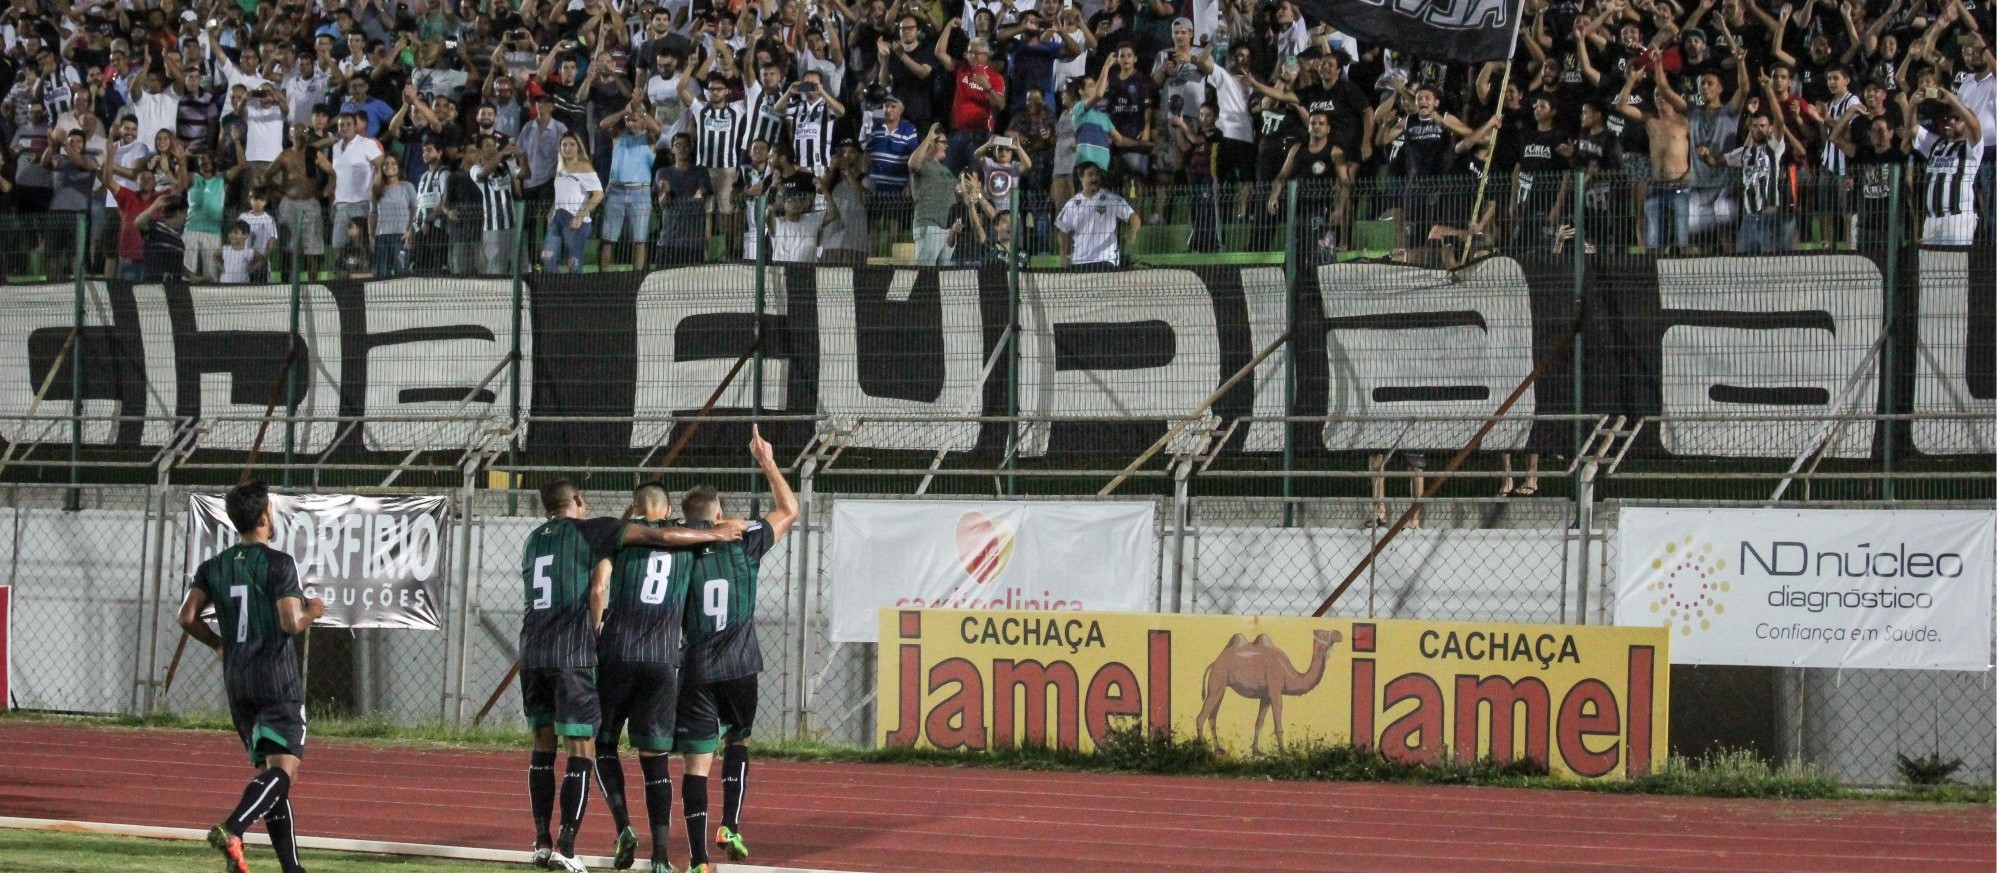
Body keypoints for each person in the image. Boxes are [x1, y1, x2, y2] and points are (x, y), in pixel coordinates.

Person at [517, 478, 746, 873]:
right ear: (577, 500)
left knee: (573, 746)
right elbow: (672, 540)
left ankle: (575, 834)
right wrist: (720, 531)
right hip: (645, 658)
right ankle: (654, 856)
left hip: (565, 652)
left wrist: (601, 627)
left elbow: (600, 584)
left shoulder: (535, 540)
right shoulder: (604, 531)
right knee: (631, 755)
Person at [176, 480, 326, 873]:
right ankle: (233, 827)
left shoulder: (214, 567)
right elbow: (291, 623)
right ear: (262, 517)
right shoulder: (278, 564)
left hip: (237, 681)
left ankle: (292, 868)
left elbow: (187, 617)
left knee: (269, 778)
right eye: (271, 510)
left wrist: (219, 644)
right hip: (276, 679)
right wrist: (314, 610)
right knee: (283, 772)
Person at [675, 426, 799, 873]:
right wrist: (766, 461)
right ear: (721, 512)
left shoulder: (676, 553)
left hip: (697, 668)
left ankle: (699, 861)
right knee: (739, 739)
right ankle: (729, 823)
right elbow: (789, 509)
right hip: (742, 664)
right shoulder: (745, 543)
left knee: (695, 763)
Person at [592, 482, 702, 873]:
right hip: (661, 658)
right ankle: (660, 856)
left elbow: (600, 585)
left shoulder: (620, 538)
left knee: (600, 744)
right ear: (669, 508)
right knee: (655, 759)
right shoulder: (688, 540)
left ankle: (623, 827)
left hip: (618, 653)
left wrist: (594, 634)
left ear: (633, 507)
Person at [1905, 86, 1984, 245]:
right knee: (1930, 268)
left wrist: (1953, 101)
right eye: (1949, 119)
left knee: (1955, 267)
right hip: (1932, 219)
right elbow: (1913, 130)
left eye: (1957, 119)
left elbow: (1975, 127)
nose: (1951, 122)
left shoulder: (1971, 148)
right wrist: (1912, 105)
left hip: (1957, 218)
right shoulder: (1937, 144)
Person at [1055, 163, 1140, 269]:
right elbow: (1063, 231)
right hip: (1079, 262)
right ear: (1081, 177)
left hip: (1106, 261)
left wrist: (1132, 232)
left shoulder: (1112, 199)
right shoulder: (1072, 203)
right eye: (1090, 175)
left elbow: (1134, 218)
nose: (1095, 178)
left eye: (1097, 175)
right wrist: (1066, 255)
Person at [543, 133, 605, 273]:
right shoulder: (560, 169)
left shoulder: (585, 167)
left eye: (572, 144)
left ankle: (573, 292)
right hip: (557, 219)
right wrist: (551, 212)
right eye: (564, 145)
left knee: (573, 262)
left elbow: (598, 194)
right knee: (548, 256)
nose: (567, 148)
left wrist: (580, 216)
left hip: (575, 219)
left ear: (578, 147)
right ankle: (553, 290)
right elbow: (560, 195)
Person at [909, 124, 959, 265]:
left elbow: (959, 190)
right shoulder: (923, 162)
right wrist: (929, 135)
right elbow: (912, 163)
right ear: (932, 142)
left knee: (946, 276)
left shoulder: (946, 170)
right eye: (943, 142)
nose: (947, 146)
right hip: (929, 223)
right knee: (925, 272)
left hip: (948, 228)